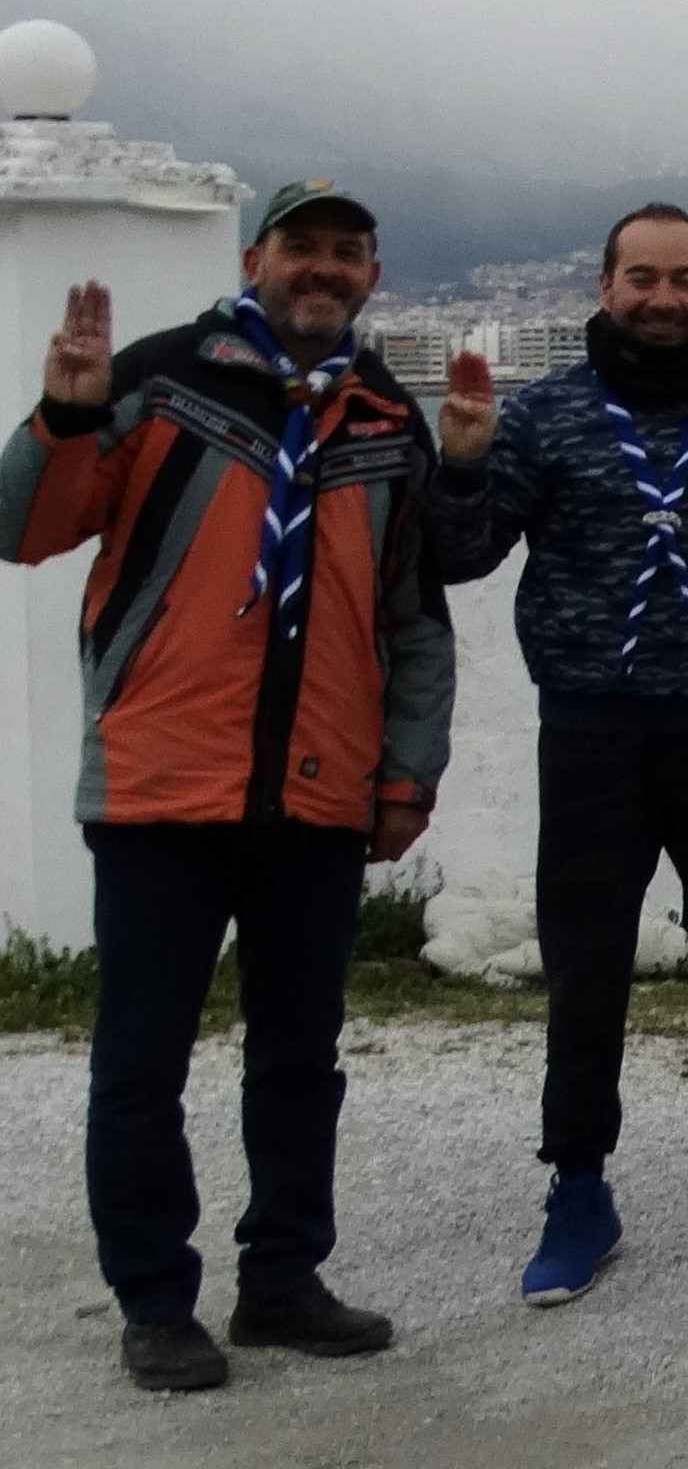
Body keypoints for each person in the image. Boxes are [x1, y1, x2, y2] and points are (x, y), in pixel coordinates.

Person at [1, 182, 450, 1392]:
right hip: (162, 785)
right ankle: (155, 1300)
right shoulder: (155, 378)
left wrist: (408, 770)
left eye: (347, 251)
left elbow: (414, 616)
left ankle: (282, 1279)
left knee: (300, 1057)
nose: (323, 267)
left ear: (372, 275)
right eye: (302, 246)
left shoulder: (385, 417)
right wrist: (62, 415)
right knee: (140, 1062)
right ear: (256, 258)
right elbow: (22, 528)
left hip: (318, 793)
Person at [425, 203, 688, 1307]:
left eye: (686, 279)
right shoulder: (545, 413)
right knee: (587, 962)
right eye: (643, 278)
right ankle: (578, 1186)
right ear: (605, 285)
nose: (664, 299)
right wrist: (462, 465)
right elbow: (463, 555)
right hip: (592, 732)